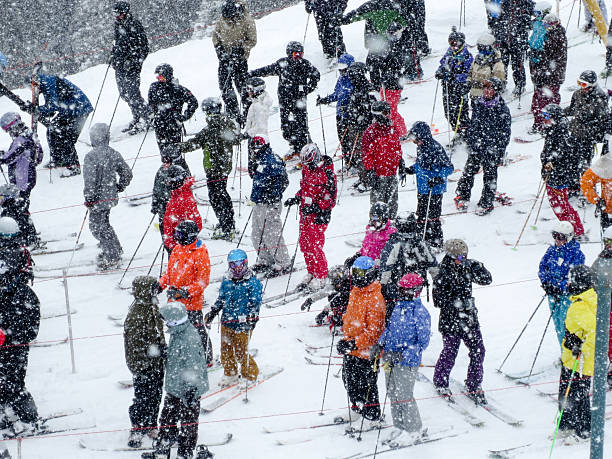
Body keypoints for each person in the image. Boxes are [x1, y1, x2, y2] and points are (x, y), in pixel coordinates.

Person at [371, 272, 430, 447]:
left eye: (404, 290)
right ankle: (400, 426)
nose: (401, 293)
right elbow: (390, 329)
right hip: (389, 358)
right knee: (392, 393)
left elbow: (422, 343)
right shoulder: (398, 307)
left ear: (415, 291)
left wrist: (403, 354)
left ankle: (414, 429)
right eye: (400, 289)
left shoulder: (420, 312)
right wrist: (380, 344)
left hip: (406, 362)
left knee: (404, 395)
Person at [144, 300, 209, 459]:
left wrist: (191, 390)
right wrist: (165, 352)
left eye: (165, 320)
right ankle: (162, 449)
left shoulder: (188, 339)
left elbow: (194, 365)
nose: (164, 323)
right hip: (175, 386)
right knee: (167, 419)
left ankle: (185, 454)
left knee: (188, 424)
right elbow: (179, 357)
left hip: (188, 390)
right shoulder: (178, 331)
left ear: (174, 321)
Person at [432, 239, 492, 404]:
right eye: (460, 257)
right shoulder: (442, 273)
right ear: (451, 257)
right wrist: (455, 302)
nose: (463, 260)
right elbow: (438, 301)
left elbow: (487, 280)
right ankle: (440, 381)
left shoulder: (467, 267)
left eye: (465, 256)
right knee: (450, 351)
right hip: (450, 320)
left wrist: (479, 266)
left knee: (479, 350)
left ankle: (473, 384)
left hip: (469, 318)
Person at [0, 218, 40, 438]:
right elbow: (32, 323)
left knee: (10, 380)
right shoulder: (21, 255)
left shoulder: (15, 295)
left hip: (11, 336)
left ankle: (23, 417)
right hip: (17, 338)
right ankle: (21, 415)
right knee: (14, 378)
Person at [336, 256, 386, 430]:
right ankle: (357, 408)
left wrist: (354, 343)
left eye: (361, 273)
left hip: (367, 351)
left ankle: (372, 416)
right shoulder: (355, 291)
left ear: (370, 274)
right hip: (352, 347)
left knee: (367, 385)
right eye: (355, 272)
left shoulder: (375, 298)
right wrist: (343, 326)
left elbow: (374, 332)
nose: (357, 276)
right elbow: (351, 317)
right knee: (349, 380)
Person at [179, 97, 239, 240]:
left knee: (216, 197)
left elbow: (194, 143)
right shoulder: (227, 124)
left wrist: (177, 147)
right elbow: (236, 139)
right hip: (224, 167)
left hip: (214, 169)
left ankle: (227, 227)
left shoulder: (210, 128)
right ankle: (228, 223)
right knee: (222, 195)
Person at [249, 41, 320, 159]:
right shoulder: (283, 63)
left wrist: (305, 89)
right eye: (295, 54)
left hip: (299, 101)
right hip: (285, 101)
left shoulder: (305, 64)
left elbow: (316, 76)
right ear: (289, 54)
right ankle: (295, 147)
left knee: (301, 126)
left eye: (300, 54)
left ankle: (306, 149)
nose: (298, 57)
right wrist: (252, 73)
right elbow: (267, 69)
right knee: (286, 126)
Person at [157, 220, 213, 366]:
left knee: (197, 332)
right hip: (175, 303)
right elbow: (169, 273)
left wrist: (185, 292)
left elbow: (202, 281)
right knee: (176, 332)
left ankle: (206, 357)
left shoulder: (200, 253)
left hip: (191, 304)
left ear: (189, 235)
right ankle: (182, 357)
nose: (176, 237)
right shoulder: (177, 249)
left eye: (180, 234)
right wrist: (160, 285)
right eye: (176, 233)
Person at [205, 249, 262, 387]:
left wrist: (252, 319)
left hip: (243, 323)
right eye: (233, 265)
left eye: (240, 264)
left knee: (241, 351)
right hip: (227, 321)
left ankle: (250, 375)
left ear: (245, 263)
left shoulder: (252, 282)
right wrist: (213, 311)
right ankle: (230, 373)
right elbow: (222, 298)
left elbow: (255, 303)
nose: (237, 268)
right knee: (226, 350)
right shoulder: (227, 281)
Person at [284, 143, 337, 292]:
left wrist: (318, 207)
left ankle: (321, 275)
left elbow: (330, 197)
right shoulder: (307, 169)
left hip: (318, 215)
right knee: (304, 243)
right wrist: (297, 198)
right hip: (305, 212)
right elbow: (305, 187)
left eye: (310, 163)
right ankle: (311, 271)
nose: (308, 166)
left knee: (314, 245)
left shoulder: (327, 173)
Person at [455, 77, 511, 216]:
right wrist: (471, 139)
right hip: (477, 146)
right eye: (484, 88)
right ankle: (462, 195)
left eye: (490, 88)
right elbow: (474, 124)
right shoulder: (478, 104)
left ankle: (486, 202)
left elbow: (505, 133)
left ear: (495, 91)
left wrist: (500, 151)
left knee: (490, 176)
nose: (486, 91)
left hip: (492, 149)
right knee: (468, 172)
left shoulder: (502, 109)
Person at [83, 123, 133, 270]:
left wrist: (89, 197)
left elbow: (90, 179)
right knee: (104, 223)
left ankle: (112, 256)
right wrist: (120, 186)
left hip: (98, 198)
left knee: (97, 227)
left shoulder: (91, 156)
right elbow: (127, 173)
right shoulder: (113, 153)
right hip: (110, 196)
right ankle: (114, 249)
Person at [25, 67, 92, 176]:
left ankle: (73, 167)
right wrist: (37, 110)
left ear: (33, 82)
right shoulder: (45, 82)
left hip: (78, 109)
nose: (32, 90)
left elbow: (52, 105)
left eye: (30, 87)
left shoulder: (47, 81)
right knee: (52, 131)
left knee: (65, 137)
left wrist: (37, 109)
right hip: (68, 109)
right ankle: (58, 160)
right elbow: (50, 108)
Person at [124, 276, 166, 448]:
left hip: (155, 363)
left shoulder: (152, 307)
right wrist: (151, 355)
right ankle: (137, 428)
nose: (156, 293)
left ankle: (151, 425)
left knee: (155, 396)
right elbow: (135, 345)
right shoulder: (136, 314)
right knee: (142, 397)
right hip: (143, 365)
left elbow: (157, 332)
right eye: (153, 290)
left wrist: (161, 350)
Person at [557, 264, 597, 442]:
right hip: (572, 359)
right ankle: (566, 425)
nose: (569, 284)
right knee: (567, 393)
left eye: (572, 281)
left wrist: (579, 347)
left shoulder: (581, 305)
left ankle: (583, 431)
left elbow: (594, 332)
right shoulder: (588, 298)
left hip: (578, 360)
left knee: (577, 397)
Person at [378, 212, 437, 322]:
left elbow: (386, 266)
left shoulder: (400, 242)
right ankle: (411, 326)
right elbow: (432, 263)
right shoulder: (416, 242)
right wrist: (438, 279)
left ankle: (401, 327)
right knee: (411, 306)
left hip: (402, 284)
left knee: (397, 308)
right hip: (411, 284)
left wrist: (383, 284)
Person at [403, 121, 454, 248]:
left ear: (423, 136)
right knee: (421, 214)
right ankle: (421, 238)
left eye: (416, 139)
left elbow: (449, 167)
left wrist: (438, 177)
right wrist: (412, 169)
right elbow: (421, 165)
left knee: (432, 216)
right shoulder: (421, 148)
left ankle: (436, 241)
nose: (414, 142)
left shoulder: (435, 148)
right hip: (423, 188)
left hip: (434, 189)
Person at [247, 135, 291, 277]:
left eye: (258, 146)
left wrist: (271, 193)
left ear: (265, 145)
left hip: (270, 204)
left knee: (271, 233)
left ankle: (283, 262)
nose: (255, 149)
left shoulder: (272, 160)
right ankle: (266, 259)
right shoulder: (259, 159)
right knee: (257, 233)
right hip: (259, 202)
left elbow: (280, 181)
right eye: (254, 147)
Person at [539, 104, 584, 238]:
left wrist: (554, 166)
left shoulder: (563, 133)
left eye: (547, 116)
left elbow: (568, 158)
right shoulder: (552, 129)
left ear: (555, 117)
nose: (544, 119)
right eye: (543, 116)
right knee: (556, 205)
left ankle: (576, 231)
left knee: (562, 206)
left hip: (560, 177)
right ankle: (566, 228)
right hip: (552, 175)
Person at [538, 221, 586, 346]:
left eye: (560, 237)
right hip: (552, 294)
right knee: (558, 324)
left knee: (567, 325)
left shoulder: (577, 254)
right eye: (555, 235)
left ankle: (571, 355)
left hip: (567, 295)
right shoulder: (552, 250)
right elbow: (543, 267)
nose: (557, 240)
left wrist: (561, 287)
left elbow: (573, 276)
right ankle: (564, 354)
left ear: (568, 237)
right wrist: (546, 283)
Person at [0, 112, 43, 247]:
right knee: (20, 207)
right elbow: (38, 156)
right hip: (27, 177)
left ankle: (28, 237)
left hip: (22, 180)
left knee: (16, 208)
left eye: (8, 130)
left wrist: (2, 158)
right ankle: (28, 234)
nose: (9, 133)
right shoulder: (29, 136)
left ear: (13, 126)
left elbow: (9, 157)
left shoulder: (22, 140)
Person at [212, 0, 257, 123]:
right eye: (226, 17)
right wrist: (219, 49)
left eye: (230, 17)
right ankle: (233, 112)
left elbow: (252, 40)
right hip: (225, 58)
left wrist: (242, 49)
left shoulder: (247, 20)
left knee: (242, 86)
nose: (228, 20)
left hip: (240, 59)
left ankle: (248, 112)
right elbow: (215, 36)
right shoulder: (222, 20)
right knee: (225, 86)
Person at [111, 1, 150, 134]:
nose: (116, 16)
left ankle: (147, 116)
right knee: (124, 94)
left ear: (125, 12)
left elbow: (144, 48)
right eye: (115, 13)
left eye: (118, 13)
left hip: (132, 67)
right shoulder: (118, 25)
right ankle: (137, 117)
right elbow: (117, 44)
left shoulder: (135, 25)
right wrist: (113, 56)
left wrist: (133, 61)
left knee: (133, 93)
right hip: (120, 66)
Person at [361, 101, 402, 219]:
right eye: (385, 113)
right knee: (378, 205)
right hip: (379, 175)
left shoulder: (391, 128)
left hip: (392, 173)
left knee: (393, 203)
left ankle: (391, 224)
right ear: (378, 114)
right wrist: (370, 171)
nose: (388, 115)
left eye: (389, 112)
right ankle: (377, 226)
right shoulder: (371, 132)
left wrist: (400, 161)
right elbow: (366, 154)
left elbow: (396, 147)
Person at [528, 13, 567, 134]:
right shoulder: (550, 35)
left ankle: (545, 125)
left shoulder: (556, 37)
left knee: (546, 101)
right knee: (539, 99)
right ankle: (539, 123)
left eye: (546, 24)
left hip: (551, 76)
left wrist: (539, 59)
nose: (544, 26)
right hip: (545, 74)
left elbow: (551, 58)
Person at [564, 70, 609, 174]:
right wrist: (559, 113)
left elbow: (603, 119)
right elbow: (572, 109)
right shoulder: (577, 94)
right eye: (579, 83)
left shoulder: (600, 98)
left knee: (584, 165)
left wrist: (590, 124)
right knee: (571, 162)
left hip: (587, 137)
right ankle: (574, 186)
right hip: (575, 132)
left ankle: (586, 185)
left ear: (591, 85)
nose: (581, 87)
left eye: (584, 84)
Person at [486, 0, 533, 97]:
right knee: (502, 63)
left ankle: (520, 85)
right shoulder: (503, 2)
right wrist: (494, 27)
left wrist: (526, 22)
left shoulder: (524, 2)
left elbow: (532, 14)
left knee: (517, 64)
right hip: (503, 38)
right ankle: (502, 83)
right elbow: (493, 17)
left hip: (518, 39)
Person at [435, 27, 473, 143]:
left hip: (459, 88)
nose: (453, 45)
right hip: (447, 86)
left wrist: (455, 77)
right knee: (449, 112)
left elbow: (468, 73)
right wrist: (440, 71)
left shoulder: (466, 56)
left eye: (455, 42)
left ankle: (466, 134)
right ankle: (457, 132)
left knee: (461, 113)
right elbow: (443, 64)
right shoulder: (449, 53)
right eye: (450, 42)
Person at [369, 22, 407, 137]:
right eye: (389, 33)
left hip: (394, 83)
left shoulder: (400, 45)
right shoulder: (387, 45)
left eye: (394, 33)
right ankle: (392, 129)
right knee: (386, 108)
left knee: (391, 110)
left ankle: (401, 132)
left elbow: (398, 64)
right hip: (386, 83)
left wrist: (386, 67)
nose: (392, 36)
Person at [148, 63, 198, 150]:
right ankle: (167, 162)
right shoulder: (154, 87)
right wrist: (153, 114)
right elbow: (151, 103)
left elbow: (193, 102)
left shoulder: (178, 89)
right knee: (164, 152)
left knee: (175, 151)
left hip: (173, 125)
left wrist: (184, 117)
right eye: (157, 77)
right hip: (159, 124)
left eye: (161, 77)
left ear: (167, 75)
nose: (158, 79)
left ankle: (178, 163)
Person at [316, 53, 355, 160]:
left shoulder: (355, 79)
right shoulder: (341, 79)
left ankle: (355, 163)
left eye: (343, 68)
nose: (341, 71)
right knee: (343, 141)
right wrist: (325, 100)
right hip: (340, 115)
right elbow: (337, 94)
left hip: (350, 115)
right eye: (340, 68)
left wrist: (350, 107)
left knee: (352, 140)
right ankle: (348, 162)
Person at [151, 144, 191, 244]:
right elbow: (156, 189)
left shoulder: (179, 170)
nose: (164, 163)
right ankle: (168, 247)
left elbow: (184, 181)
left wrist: (173, 182)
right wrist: (155, 203)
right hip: (163, 207)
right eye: (162, 160)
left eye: (166, 160)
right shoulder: (161, 171)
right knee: (165, 231)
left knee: (176, 233)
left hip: (175, 209)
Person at [344, 61, 376, 184]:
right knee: (357, 153)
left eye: (352, 75)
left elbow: (373, 109)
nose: (351, 78)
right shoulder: (356, 88)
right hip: (355, 126)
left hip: (364, 128)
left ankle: (368, 179)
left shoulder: (367, 89)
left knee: (365, 154)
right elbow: (354, 105)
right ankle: (362, 177)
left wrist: (363, 120)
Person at [590, 227, 612, 389]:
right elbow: (592, 276)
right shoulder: (602, 258)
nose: (608, 246)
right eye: (606, 242)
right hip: (606, 304)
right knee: (608, 335)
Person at [161, 166, 202, 253]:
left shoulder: (183, 199)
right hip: (174, 245)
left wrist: (179, 241)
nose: (167, 184)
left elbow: (195, 223)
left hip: (180, 247)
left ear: (177, 181)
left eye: (169, 181)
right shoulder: (176, 195)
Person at [345, 202, 397, 269]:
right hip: (365, 265)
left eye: (377, 219)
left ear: (384, 218)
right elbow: (365, 248)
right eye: (372, 218)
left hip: (378, 269)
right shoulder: (370, 229)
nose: (374, 222)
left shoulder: (391, 233)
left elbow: (391, 258)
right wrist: (357, 256)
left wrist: (376, 264)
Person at [467, 33, 505, 105]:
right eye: (479, 48)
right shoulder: (477, 60)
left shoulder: (496, 64)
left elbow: (499, 84)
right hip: (474, 97)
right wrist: (468, 82)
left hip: (487, 100)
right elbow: (470, 72)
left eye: (484, 48)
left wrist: (486, 88)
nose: (481, 51)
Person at [581, 144, 612, 232]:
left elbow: (585, 181)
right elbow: (586, 181)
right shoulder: (606, 162)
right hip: (609, 212)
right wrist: (596, 200)